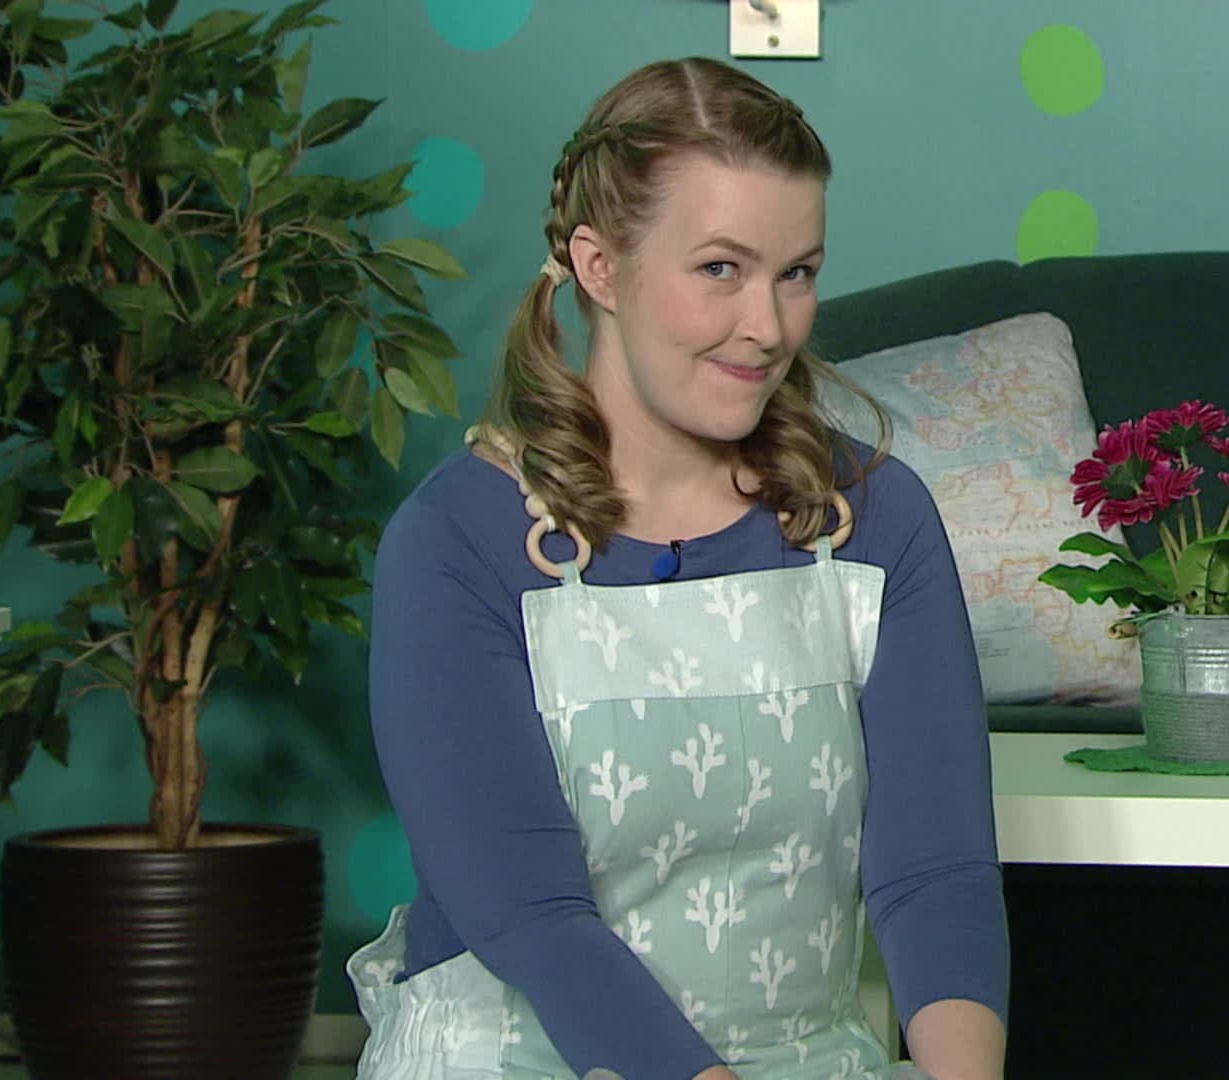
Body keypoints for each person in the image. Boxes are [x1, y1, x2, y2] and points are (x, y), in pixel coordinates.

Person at [347, 57, 1010, 1080]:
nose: (769, 328)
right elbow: (533, 915)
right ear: (600, 267)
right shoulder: (455, 542)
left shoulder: (879, 521)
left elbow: (936, 873)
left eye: (797, 273)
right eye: (720, 270)